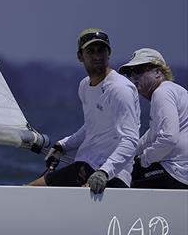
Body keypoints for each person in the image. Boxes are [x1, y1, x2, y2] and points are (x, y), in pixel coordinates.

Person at [29, 28, 140, 194]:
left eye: (101, 50)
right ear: (80, 56)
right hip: (85, 166)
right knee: (28, 191)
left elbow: (131, 139)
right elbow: (92, 127)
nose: (97, 56)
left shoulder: (119, 89)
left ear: (108, 54)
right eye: (90, 51)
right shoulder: (84, 86)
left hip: (111, 176)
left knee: (30, 194)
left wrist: (104, 172)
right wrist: (63, 145)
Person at [119, 48, 188, 189]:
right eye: (129, 74)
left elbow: (169, 138)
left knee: (122, 177)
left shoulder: (162, 93)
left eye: (138, 71)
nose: (133, 78)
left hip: (177, 172)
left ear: (158, 72)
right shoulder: (172, 91)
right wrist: (125, 154)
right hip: (181, 171)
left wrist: (143, 160)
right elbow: (150, 136)